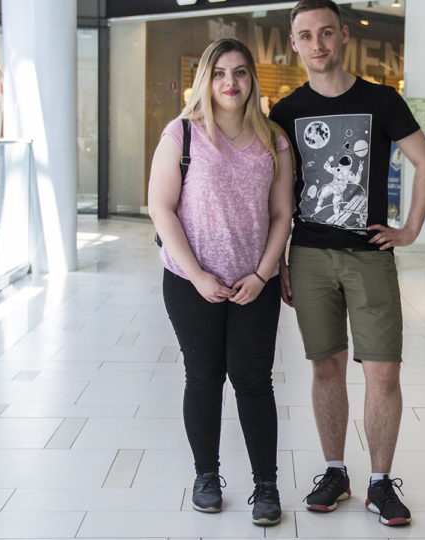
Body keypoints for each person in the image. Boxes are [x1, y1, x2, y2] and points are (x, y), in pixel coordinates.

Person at [269, 0, 425, 527]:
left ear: (343, 35)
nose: (316, 44)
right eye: (305, 35)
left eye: (325, 32)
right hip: (309, 255)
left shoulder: (381, 101)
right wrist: (280, 261)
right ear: (294, 44)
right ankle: (335, 472)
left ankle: (381, 482)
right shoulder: (285, 113)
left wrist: (410, 229)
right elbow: (277, 196)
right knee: (326, 367)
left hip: (369, 256)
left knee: (383, 371)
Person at [148, 38, 293, 526]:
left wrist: (263, 273)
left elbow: (282, 214)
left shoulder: (274, 140)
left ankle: (266, 487)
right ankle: (206, 477)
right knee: (204, 377)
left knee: (253, 382)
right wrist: (197, 275)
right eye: (219, 73)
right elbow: (160, 208)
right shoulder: (182, 134)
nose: (230, 82)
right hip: (191, 282)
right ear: (205, 80)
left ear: (252, 79)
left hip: (255, 283)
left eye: (240, 72)